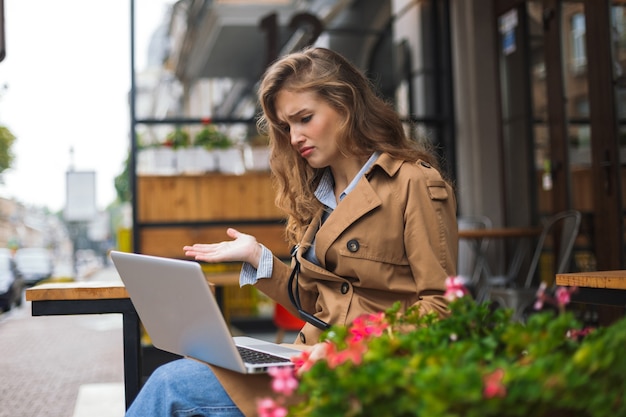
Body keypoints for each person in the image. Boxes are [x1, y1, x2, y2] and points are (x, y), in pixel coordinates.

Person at [125, 46, 458, 417]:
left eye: (304, 118)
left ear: (345, 105)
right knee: (176, 378)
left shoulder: (414, 184)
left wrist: (350, 349)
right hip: (309, 361)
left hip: (368, 373)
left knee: (171, 385)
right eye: (286, 126)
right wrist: (257, 256)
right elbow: (317, 304)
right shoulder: (322, 193)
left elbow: (441, 307)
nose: (295, 136)